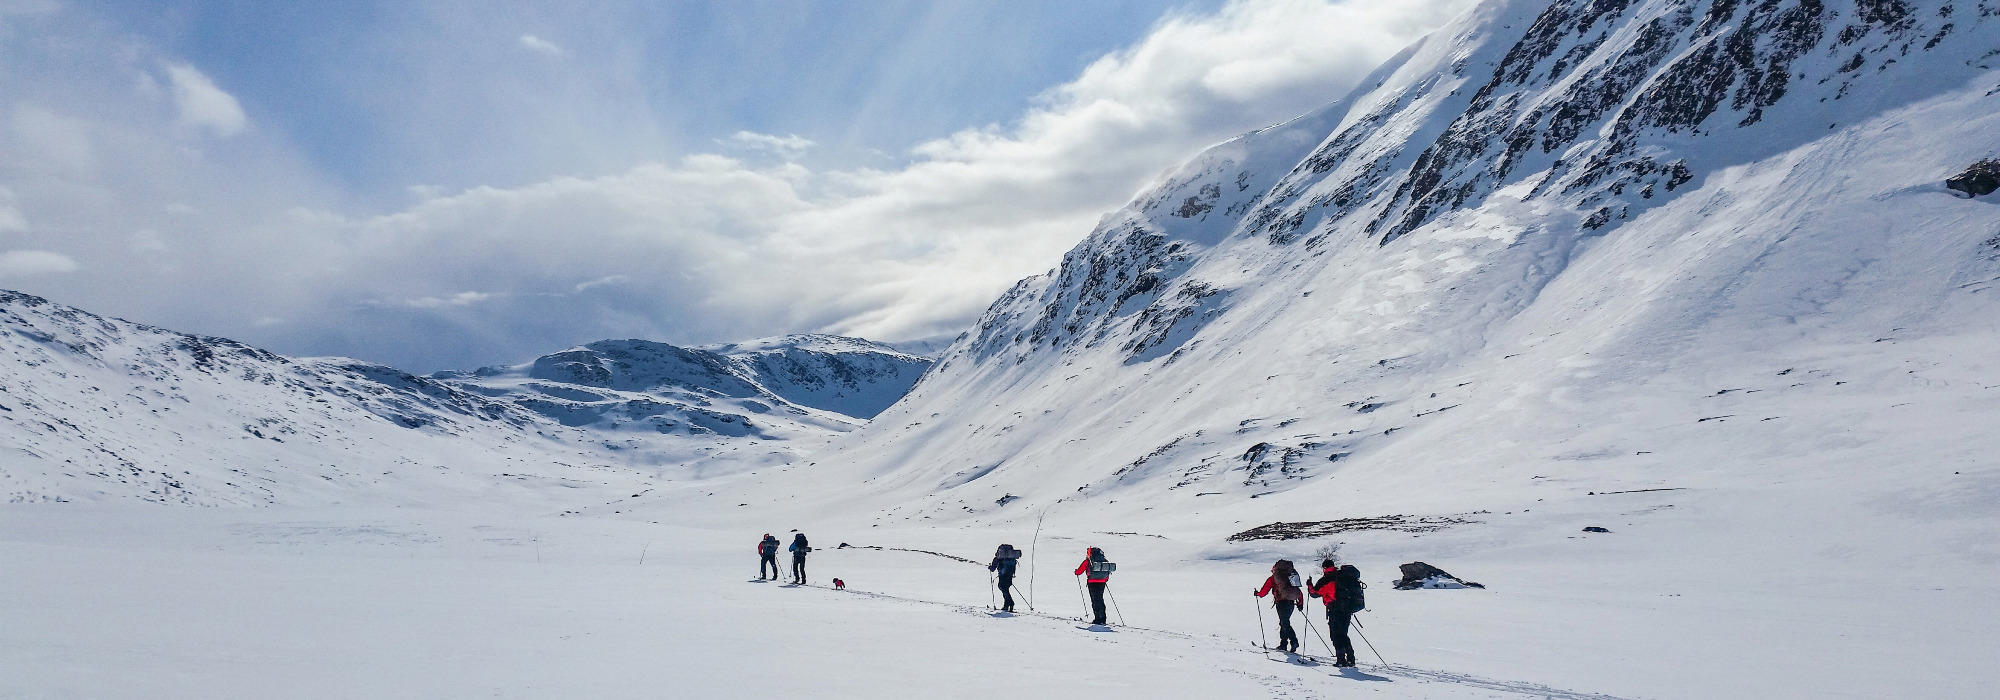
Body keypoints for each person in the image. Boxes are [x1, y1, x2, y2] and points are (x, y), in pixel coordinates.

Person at [1308, 559, 1358, 666]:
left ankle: (1341, 660)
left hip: (1335, 610)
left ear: (1324, 568)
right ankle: (1351, 658)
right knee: (1343, 634)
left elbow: (1315, 593)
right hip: (1347, 609)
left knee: (1335, 635)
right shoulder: (1342, 575)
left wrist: (1309, 585)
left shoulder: (1326, 579)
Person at [1255, 559, 1305, 653]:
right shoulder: (1291, 575)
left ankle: (1293, 641)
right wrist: (1300, 603)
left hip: (1281, 603)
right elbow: (1298, 591)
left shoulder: (1274, 578)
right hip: (1291, 603)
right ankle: (1283, 644)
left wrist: (1258, 594)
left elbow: (1264, 590)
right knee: (1284, 622)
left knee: (1285, 623)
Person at [1073, 546, 1114, 625]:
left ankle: (1097, 619)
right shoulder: (1104, 560)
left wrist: (1076, 572)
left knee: (1095, 600)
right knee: (1100, 599)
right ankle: (1103, 618)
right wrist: (1104, 580)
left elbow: (1079, 571)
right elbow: (1107, 571)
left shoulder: (1088, 561)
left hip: (1092, 582)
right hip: (1102, 582)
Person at [988, 544, 1021, 612]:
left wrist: (990, 567)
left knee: (1002, 587)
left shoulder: (998, 557)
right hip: (1010, 575)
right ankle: (1007, 605)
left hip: (1003, 576)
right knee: (1005, 589)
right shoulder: (1012, 558)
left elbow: (992, 569)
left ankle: (1010, 603)